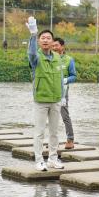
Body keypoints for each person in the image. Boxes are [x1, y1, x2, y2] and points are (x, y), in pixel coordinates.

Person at [26, 16, 64, 171]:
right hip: (41, 100)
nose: (46, 40)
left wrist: (63, 96)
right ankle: (39, 160)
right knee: (39, 132)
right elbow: (31, 52)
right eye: (43, 38)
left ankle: (53, 159)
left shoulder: (56, 56)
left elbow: (61, 77)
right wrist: (33, 35)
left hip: (56, 100)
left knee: (54, 132)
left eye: (49, 38)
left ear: (53, 41)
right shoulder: (36, 57)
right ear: (40, 41)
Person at [52, 37, 77, 149]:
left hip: (63, 91)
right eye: (53, 46)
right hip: (50, 90)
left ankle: (70, 139)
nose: (54, 47)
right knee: (51, 116)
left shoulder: (68, 59)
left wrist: (65, 80)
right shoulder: (49, 58)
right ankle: (53, 141)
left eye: (56, 45)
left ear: (62, 46)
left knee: (64, 115)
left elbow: (74, 76)